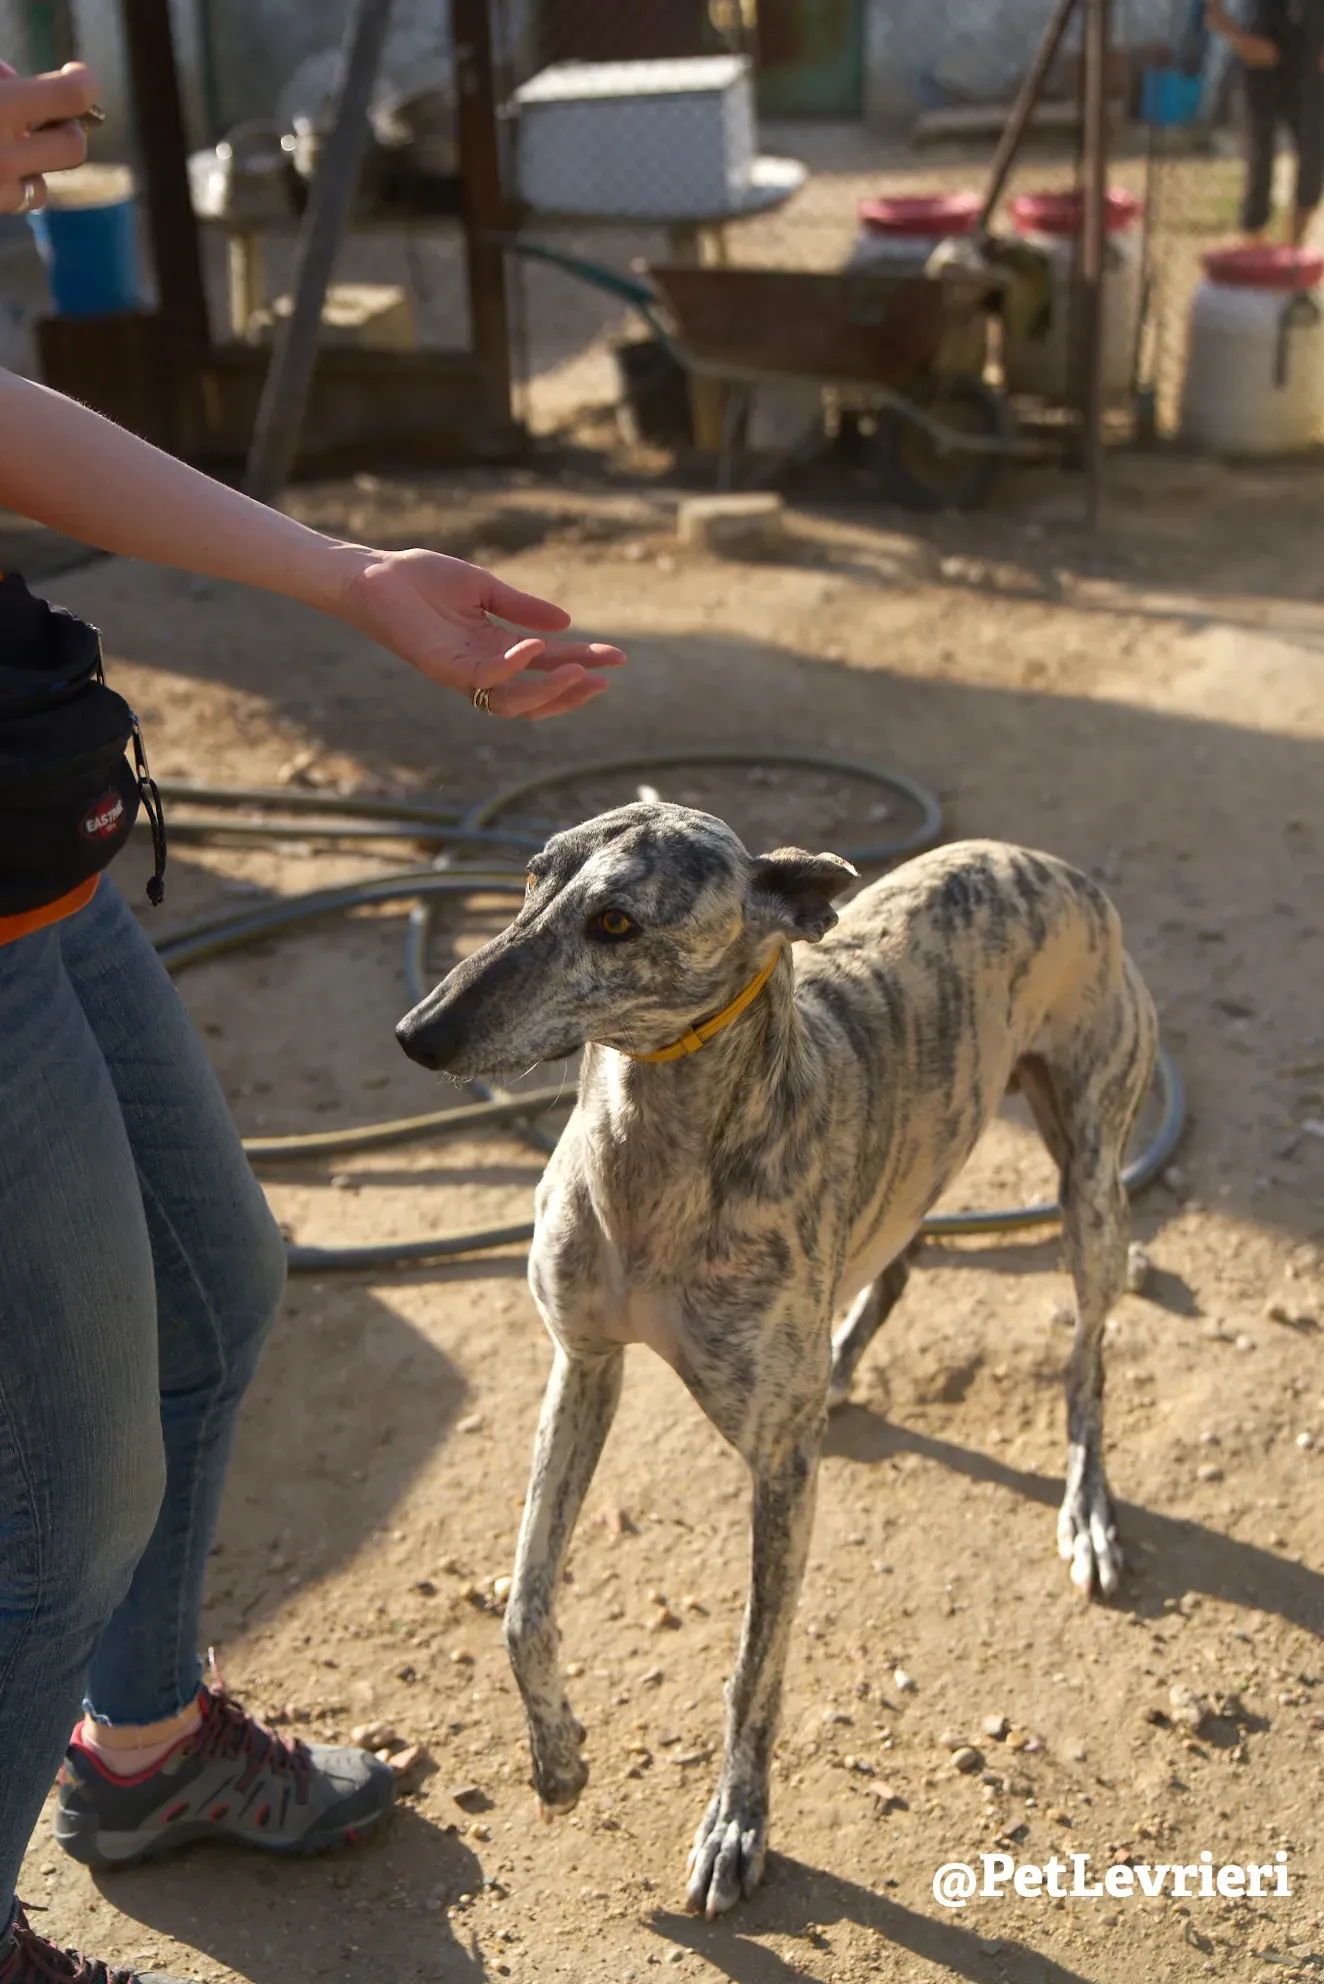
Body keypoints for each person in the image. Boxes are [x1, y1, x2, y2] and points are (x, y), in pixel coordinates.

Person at [0, 57, 625, 1984]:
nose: (62, 97)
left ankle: (147, 1744)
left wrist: (353, 579)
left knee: (217, 1294)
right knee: (64, 1487)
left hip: (42, 878)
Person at [1208, 0, 1324, 243]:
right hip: (1262, 51)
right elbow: (1215, 15)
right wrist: (1234, 34)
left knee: (1313, 155)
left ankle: (1294, 250)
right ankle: (1253, 241)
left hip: (1309, 55)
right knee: (1260, 157)